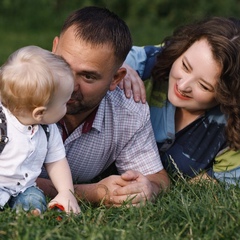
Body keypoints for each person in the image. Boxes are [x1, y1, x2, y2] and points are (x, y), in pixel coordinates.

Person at [37, 6, 170, 207]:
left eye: (88, 76)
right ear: (54, 48)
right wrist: (93, 192)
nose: (69, 85)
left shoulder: (128, 111)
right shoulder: (16, 89)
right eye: (63, 65)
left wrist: (148, 188)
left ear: (115, 79)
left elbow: (156, 177)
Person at [125, 16, 240, 185]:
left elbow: (225, 177)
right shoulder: (165, 57)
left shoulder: (231, 126)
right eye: (185, 66)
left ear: (227, 95)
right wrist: (121, 67)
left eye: (203, 85)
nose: (183, 85)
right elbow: (106, 58)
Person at [0, 45, 80, 215]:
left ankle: (31, 211)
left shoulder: (48, 130)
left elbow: (57, 161)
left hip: (24, 188)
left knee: (34, 198)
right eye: (64, 103)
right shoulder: (3, 123)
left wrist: (66, 191)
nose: (67, 106)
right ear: (40, 113)